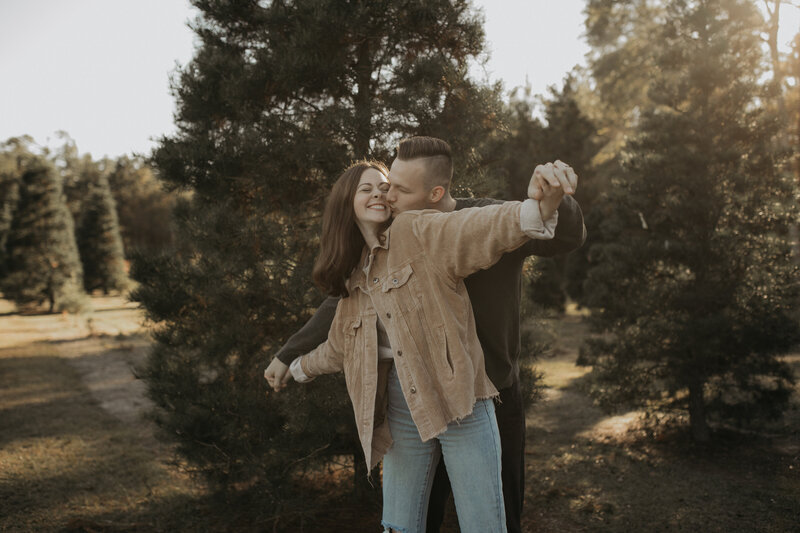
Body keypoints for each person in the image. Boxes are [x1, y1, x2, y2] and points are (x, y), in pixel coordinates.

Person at [265, 137, 586, 532]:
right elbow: (350, 309)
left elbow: (553, 233)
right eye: (384, 184)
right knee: (418, 518)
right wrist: (291, 356)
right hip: (415, 397)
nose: (387, 195)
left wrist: (551, 200)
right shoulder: (385, 247)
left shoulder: (468, 219)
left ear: (434, 193)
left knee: (497, 517)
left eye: (397, 189)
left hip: (490, 395)